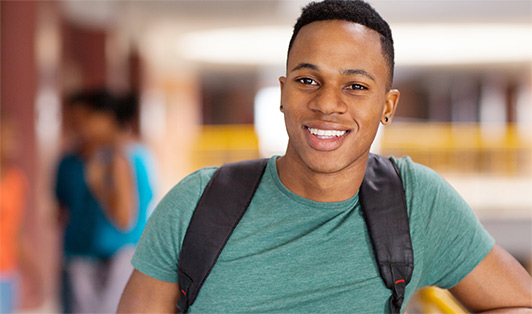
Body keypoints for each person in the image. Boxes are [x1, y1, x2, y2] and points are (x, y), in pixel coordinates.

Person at [117, 1, 532, 312]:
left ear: (387, 106)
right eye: (307, 80)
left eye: (355, 86)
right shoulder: (197, 203)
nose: (327, 103)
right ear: (282, 93)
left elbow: (516, 302)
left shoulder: (417, 202)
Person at [55, 89, 156, 313]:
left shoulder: (125, 158)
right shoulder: (71, 161)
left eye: (85, 119)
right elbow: (61, 210)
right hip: (81, 257)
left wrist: (101, 186)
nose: (79, 127)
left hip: (119, 257)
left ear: (107, 119)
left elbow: (124, 218)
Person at [0, 112, 42, 313]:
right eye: (6, 135)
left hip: (7, 273)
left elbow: (16, 233)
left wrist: (33, 271)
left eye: (14, 136)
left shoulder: (17, 181)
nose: (13, 141)